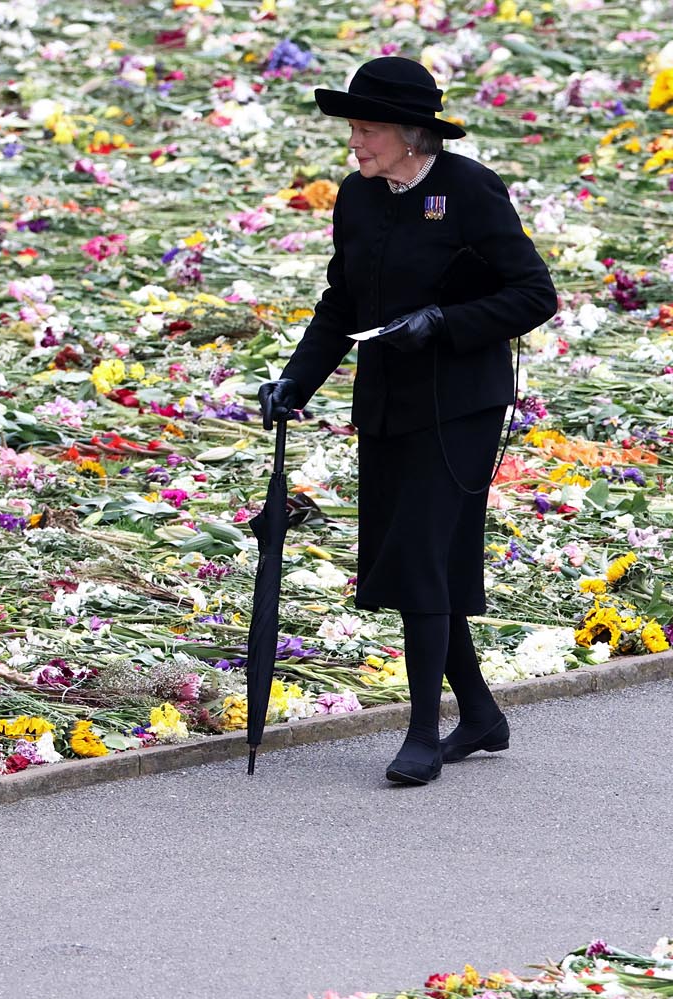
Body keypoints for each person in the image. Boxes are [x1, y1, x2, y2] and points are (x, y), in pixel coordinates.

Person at [265, 56, 558, 786]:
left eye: (367, 130)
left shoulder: (469, 191)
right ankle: (482, 715)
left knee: (425, 558)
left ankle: (424, 734)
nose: (355, 144)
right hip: (388, 401)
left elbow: (533, 295)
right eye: (354, 129)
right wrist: (296, 380)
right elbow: (341, 302)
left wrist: (446, 322)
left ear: (411, 134)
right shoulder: (357, 198)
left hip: (461, 404)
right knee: (407, 561)